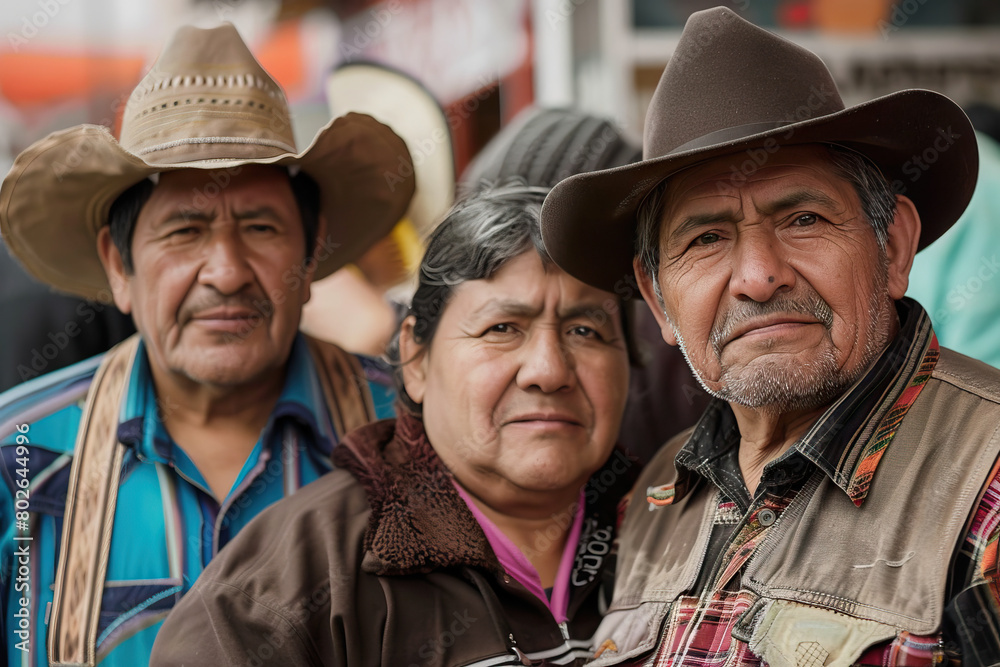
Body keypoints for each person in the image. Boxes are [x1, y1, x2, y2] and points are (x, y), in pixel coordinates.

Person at [539, 7, 1000, 666]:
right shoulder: (653, 497)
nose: (758, 277)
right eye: (705, 238)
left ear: (893, 247)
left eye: (804, 218)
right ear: (658, 299)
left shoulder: (988, 483)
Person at [0, 23, 413, 667]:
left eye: (259, 226)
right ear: (119, 265)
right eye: (184, 230)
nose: (225, 272)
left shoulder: (412, 436)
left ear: (311, 253)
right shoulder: (17, 456)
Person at [149, 185, 639, 666]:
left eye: (585, 331)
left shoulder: (675, 530)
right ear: (415, 358)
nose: (549, 371)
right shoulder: (282, 595)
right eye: (502, 329)